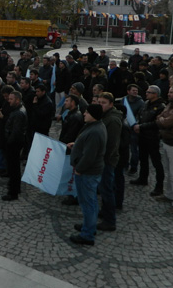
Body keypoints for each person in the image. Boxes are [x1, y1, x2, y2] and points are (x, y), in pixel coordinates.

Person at [68, 103, 107, 246]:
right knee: (90, 202)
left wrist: (79, 169)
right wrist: (76, 144)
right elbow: (87, 145)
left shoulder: (95, 131)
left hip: (87, 172)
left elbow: (90, 156)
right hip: (89, 171)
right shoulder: (94, 127)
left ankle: (87, 234)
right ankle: (89, 226)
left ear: (94, 115)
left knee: (87, 203)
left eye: (87, 113)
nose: (84, 114)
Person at [131, 86, 165, 196]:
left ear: (155, 94)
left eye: (149, 92)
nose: (146, 93)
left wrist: (141, 126)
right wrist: (137, 124)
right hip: (143, 135)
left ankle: (159, 186)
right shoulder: (146, 103)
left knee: (156, 162)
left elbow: (157, 123)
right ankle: (142, 178)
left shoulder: (160, 107)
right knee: (143, 158)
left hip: (152, 137)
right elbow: (140, 115)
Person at [97, 92, 122, 231]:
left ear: (111, 104)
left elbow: (111, 144)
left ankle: (110, 220)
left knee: (107, 189)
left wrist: (103, 159)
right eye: (99, 102)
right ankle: (105, 211)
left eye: (103, 103)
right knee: (104, 188)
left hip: (107, 160)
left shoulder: (112, 120)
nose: (100, 105)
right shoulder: (106, 116)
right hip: (104, 159)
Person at [0, 91, 27, 201]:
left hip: (14, 144)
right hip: (16, 142)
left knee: (13, 168)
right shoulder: (18, 110)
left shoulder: (18, 113)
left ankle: (13, 192)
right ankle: (16, 188)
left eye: (11, 99)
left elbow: (15, 132)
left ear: (17, 100)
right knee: (14, 168)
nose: (9, 101)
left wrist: (8, 143)